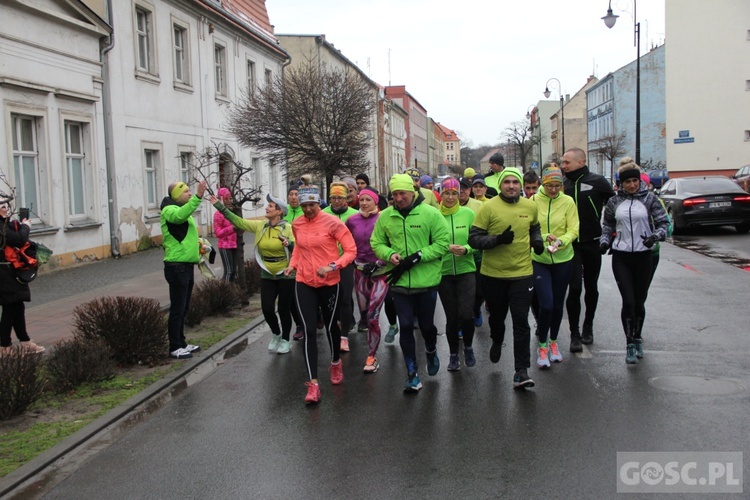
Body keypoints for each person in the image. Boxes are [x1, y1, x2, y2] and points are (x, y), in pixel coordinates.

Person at [371, 173, 450, 392]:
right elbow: (376, 242)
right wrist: (390, 254)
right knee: (405, 325)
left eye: (402, 193)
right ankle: (412, 374)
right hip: (399, 282)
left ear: (412, 192)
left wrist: (419, 255)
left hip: (426, 282)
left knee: (426, 327)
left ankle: (431, 350)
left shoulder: (431, 214)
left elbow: (443, 243)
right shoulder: (385, 216)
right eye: (395, 194)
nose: (398, 198)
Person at [469, 168, 544, 389]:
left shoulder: (530, 206)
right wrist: (498, 240)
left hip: (522, 273)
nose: (511, 186)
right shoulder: (488, 207)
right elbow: (474, 239)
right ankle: (496, 338)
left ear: (521, 185)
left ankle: (521, 371)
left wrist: (537, 241)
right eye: (507, 182)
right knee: (497, 318)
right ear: (500, 185)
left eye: (515, 182)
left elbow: (535, 228)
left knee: (521, 320)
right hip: (493, 275)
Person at [283, 179, 356, 404]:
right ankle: (313, 384)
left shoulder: (332, 223)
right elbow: (299, 250)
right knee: (309, 331)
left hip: (329, 282)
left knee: (331, 328)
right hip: (304, 281)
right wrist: (292, 265)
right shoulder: (297, 224)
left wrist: (333, 266)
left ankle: (335, 362)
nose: (307, 210)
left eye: (312, 206)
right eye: (304, 206)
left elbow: (351, 250)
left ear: (319, 204)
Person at [600, 159, 669, 364]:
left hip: (643, 255)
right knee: (628, 301)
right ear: (621, 184)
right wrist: (605, 242)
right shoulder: (614, 202)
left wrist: (655, 237)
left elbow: (664, 223)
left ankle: (638, 337)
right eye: (628, 182)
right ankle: (629, 342)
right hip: (621, 256)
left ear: (640, 181)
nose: (632, 185)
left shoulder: (650, 200)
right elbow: (607, 225)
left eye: (635, 181)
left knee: (639, 301)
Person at [212, 193, 296, 355]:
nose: (267, 208)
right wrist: (220, 207)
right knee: (267, 308)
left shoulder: (288, 228)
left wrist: (289, 243)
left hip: (286, 274)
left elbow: (296, 248)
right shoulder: (261, 226)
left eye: (271, 206)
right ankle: (276, 334)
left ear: (279, 212)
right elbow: (239, 222)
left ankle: (286, 339)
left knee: (284, 309)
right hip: (267, 273)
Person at [561, 147, 615, 351]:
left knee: (591, 287)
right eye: (563, 162)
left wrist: (611, 233)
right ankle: (574, 334)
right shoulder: (563, 185)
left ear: (581, 162)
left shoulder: (597, 181)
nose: (563, 166)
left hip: (592, 242)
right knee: (574, 288)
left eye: (567, 162)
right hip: (571, 244)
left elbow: (614, 206)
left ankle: (588, 326)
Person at [529, 167, 579, 368]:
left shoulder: (568, 201)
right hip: (539, 259)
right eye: (550, 185)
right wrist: (542, 239)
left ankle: (554, 342)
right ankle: (542, 345)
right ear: (543, 183)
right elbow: (528, 228)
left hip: (563, 258)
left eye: (558, 185)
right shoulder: (532, 201)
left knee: (558, 305)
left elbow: (574, 229)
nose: (553, 189)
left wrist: (560, 241)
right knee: (546, 305)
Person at [161, 180, 207, 359]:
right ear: (176, 195)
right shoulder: (169, 210)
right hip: (176, 266)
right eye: (186, 191)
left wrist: (200, 246)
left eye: (190, 191)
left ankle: (181, 342)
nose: (189, 193)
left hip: (186, 265)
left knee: (184, 307)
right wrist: (198, 197)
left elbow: (184, 235)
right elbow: (178, 217)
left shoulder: (182, 210)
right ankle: (174, 347)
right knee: (177, 308)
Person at [345, 189, 389, 373]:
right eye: (361, 199)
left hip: (380, 272)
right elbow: (345, 242)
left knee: (373, 317)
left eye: (367, 200)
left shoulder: (383, 219)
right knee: (364, 315)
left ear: (375, 202)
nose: (363, 203)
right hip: (360, 272)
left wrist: (379, 262)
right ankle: (369, 339)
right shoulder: (352, 220)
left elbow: (392, 243)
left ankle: (371, 356)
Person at [437, 178, 477, 371]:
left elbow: (477, 241)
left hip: (466, 270)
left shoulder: (468, 214)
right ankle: (453, 355)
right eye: (447, 193)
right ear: (441, 195)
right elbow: (428, 243)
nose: (451, 197)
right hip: (443, 273)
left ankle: (468, 347)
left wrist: (467, 249)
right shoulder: (434, 215)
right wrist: (445, 248)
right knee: (452, 318)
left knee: (467, 315)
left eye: (454, 193)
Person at [0, 203, 44, 354]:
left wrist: (18, 224)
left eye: (6, 205)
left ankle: (25, 341)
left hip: (11, 271)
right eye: (2, 206)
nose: (6, 209)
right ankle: (4, 345)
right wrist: (25, 226)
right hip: (4, 273)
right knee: (10, 307)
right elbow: (17, 239)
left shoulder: (4, 224)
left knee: (17, 305)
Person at [323, 182, 358, 352]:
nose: (337, 201)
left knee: (345, 298)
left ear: (346, 199)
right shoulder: (322, 214)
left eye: (340, 198)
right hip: (326, 263)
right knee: (330, 298)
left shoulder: (354, 215)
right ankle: (334, 327)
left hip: (347, 262)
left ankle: (344, 336)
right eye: (333, 198)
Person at [459, 177, 485, 326]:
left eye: (465, 188)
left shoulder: (479, 205)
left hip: (477, 254)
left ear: (470, 190)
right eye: (459, 188)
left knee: (479, 291)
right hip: (457, 256)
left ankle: (476, 308)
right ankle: (461, 322)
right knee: (460, 293)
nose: (462, 190)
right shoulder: (447, 205)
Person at [283, 184, 305, 340]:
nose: (293, 197)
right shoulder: (284, 213)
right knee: (291, 297)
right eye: (291, 194)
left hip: (304, 256)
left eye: (296, 194)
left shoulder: (305, 211)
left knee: (303, 294)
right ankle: (300, 324)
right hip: (287, 258)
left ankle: (313, 317)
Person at [213, 188, 238, 282]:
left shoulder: (234, 212)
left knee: (235, 271)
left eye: (230, 198)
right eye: (226, 199)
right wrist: (232, 228)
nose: (229, 201)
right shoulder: (218, 214)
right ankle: (225, 292)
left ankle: (232, 291)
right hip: (225, 246)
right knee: (229, 271)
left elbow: (240, 228)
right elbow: (218, 233)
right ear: (221, 200)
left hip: (235, 245)